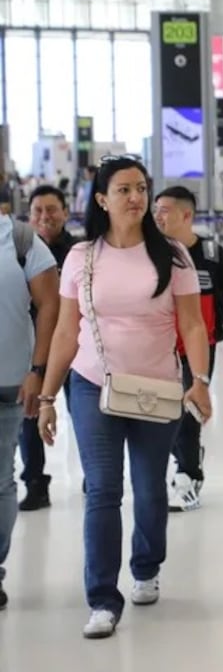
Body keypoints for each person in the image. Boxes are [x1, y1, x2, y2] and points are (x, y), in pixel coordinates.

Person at [36, 156, 211, 639]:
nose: (136, 198)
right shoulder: (81, 258)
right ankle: (102, 600)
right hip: (94, 385)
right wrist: (49, 396)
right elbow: (66, 332)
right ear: (101, 200)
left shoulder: (173, 255)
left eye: (141, 189)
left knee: (151, 488)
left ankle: (146, 565)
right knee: (104, 489)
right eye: (124, 190)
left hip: (157, 388)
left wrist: (201, 378)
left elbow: (192, 324)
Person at [153, 186, 223, 512]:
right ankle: (186, 460)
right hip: (158, 348)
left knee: (188, 412)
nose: (158, 216)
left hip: (200, 346)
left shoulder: (212, 255)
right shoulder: (151, 254)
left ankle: (188, 476)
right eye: (156, 210)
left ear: (186, 215)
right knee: (164, 412)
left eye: (165, 210)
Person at [0, 211, 60, 610]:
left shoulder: (20, 238)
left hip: (8, 379)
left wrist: (38, 370)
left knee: (0, 479)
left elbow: (51, 304)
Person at [16, 185, 76, 512]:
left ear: (65, 213)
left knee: (83, 413)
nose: (45, 217)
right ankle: (35, 484)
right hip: (35, 349)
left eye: (52, 209)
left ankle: (94, 475)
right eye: (38, 210)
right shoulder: (20, 252)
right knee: (30, 416)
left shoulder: (79, 253)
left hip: (74, 349)